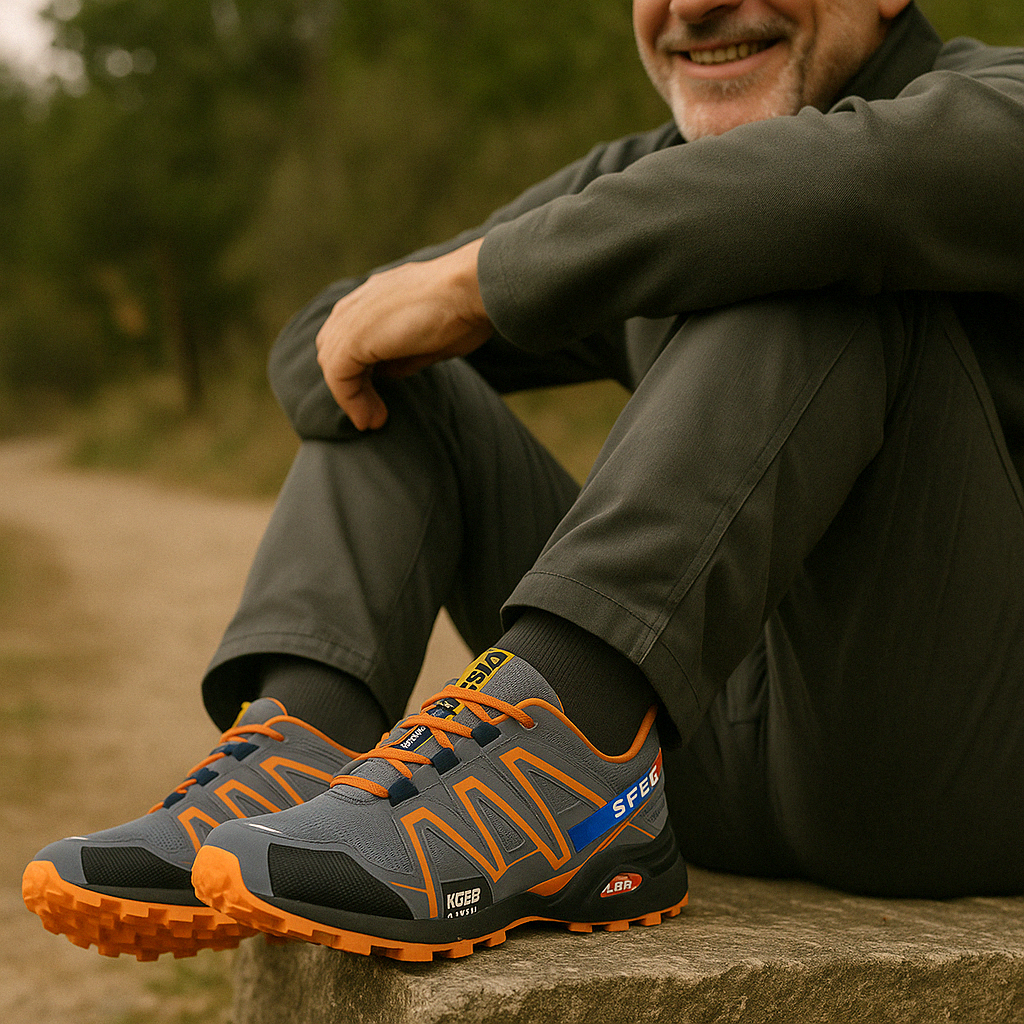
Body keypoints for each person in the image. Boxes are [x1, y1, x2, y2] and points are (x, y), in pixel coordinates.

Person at [24, 0, 1024, 964]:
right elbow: (322, 344)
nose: (698, 3)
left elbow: (842, 188)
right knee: (406, 379)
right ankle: (302, 750)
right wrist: (441, 306)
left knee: (807, 232)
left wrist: (479, 281)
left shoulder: (997, 106)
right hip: (697, 762)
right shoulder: (644, 181)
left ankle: (563, 743)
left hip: (955, 773)